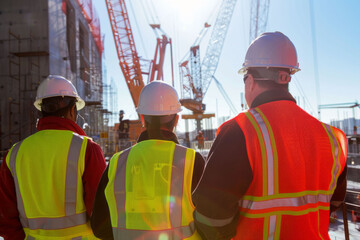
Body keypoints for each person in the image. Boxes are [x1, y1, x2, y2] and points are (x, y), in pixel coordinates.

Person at [192, 32, 348, 239]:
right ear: (286, 78)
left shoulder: (240, 131)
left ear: (250, 80)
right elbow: (334, 202)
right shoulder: (332, 137)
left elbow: (210, 217)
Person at [91, 80, 205, 239]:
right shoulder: (193, 161)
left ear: (142, 118)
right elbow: (210, 221)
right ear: (176, 119)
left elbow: (99, 227)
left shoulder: (117, 164)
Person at [0, 75, 106, 239]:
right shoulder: (88, 150)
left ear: (41, 111)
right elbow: (101, 214)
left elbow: (6, 218)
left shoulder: (14, 154)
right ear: (73, 110)